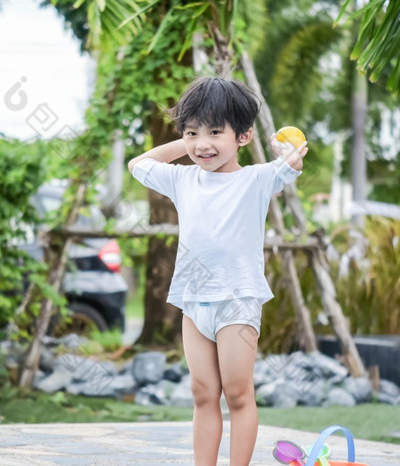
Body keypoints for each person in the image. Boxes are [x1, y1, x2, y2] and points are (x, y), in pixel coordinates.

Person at [127, 76, 307, 466]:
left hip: (237, 304)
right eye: (192, 133)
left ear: (242, 136)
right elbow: (137, 164)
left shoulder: (257, 179)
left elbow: (291, 163)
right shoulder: (182, 178)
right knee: (202, 393)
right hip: (194, 302)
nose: (202, 144)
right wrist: (189, 138)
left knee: (238, 394)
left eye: (214, 132)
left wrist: (291, 150)